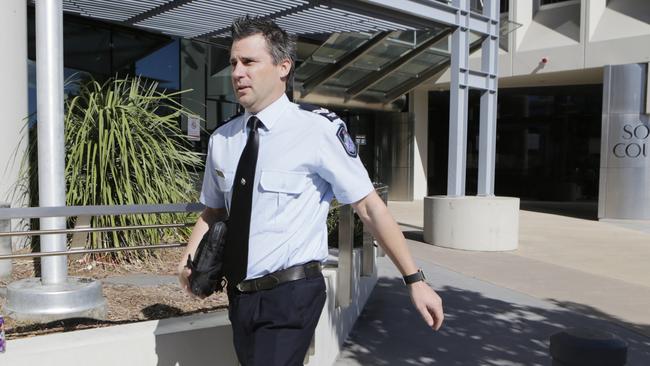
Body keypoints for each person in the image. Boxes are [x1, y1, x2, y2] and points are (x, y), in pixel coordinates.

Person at [177, 16, 444, 366]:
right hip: (239, 296)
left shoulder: (318, 130)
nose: (238, 72)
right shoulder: (222, 140)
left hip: (291, 294)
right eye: (233, 63)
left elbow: (369, 207)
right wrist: (187, 260)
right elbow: (214, 212)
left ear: (283, 66)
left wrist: (414, 279)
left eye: (249, 62)